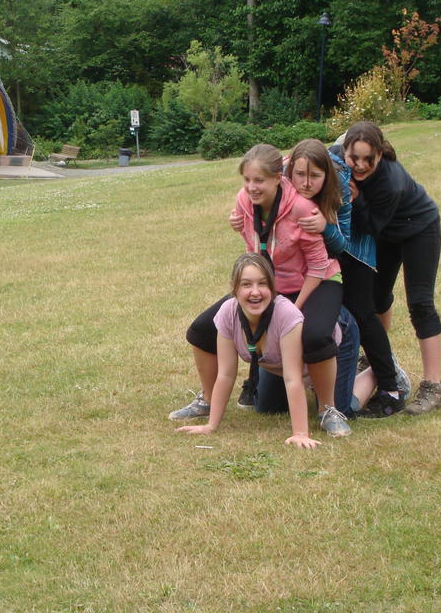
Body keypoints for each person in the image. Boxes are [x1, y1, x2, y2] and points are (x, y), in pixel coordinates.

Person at [171, 143, 351, 437]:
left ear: (278, 178)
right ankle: (207, 399)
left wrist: (294, 310)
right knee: (201, 330)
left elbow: (319, 265)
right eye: (247, 180)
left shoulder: (302, 208)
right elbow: (253, 247)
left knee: (314, 335)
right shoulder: (244, 200)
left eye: (259, 180)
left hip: (316, 281)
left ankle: (327, 409)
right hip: (270, 285)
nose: (252, 187)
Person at [286, 138, 411, 417]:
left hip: (352, 247)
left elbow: (341, 242)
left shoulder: (340, 182)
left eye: (314, 175)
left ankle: (390, 384)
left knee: (361, 312)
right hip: (310, 251)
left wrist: (324, 226)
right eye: (300, 174)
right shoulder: (286, 173)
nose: (305, 182)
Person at [341, 121, 441, 415]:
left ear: (380, 153)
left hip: (419, 229)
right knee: (375, 298)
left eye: (369, 159)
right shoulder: (337, 155)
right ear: (344, 150)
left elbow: (370, 226)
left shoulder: (391, 182)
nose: (360, 165)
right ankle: (376, 358)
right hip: (387, 232)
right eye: (354, 158)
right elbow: (314, 160)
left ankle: (434, 386)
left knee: (420, 303)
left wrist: (357, 199)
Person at [175, 254, 321, 449]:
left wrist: (300, 434)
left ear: (272, 287)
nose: (255, 292)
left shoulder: (286, 314)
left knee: (345, 407)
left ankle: (362, 377)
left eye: (262, 283)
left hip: (324, 360)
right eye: (246, 284)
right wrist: (211, 425)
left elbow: (292, 378)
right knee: (266, 406)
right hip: (282, 369)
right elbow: (226, 374)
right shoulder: (228, 312)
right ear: (234, 288)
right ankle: (310, 388)